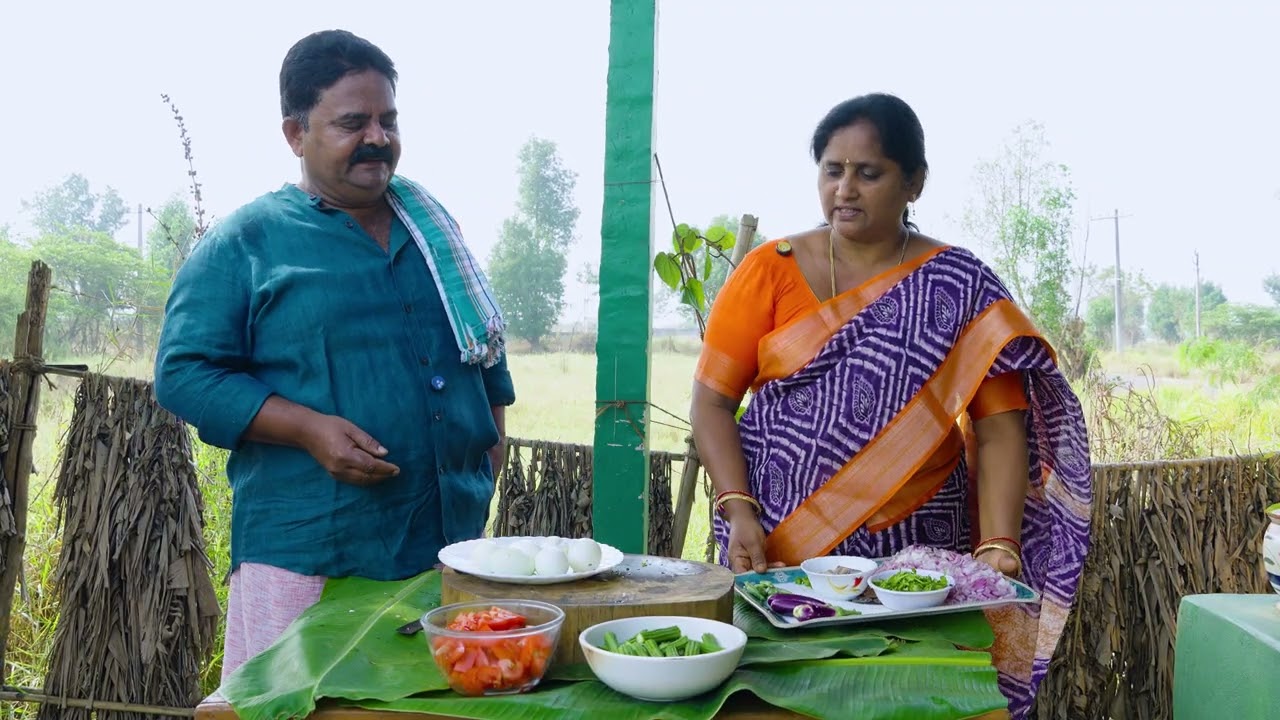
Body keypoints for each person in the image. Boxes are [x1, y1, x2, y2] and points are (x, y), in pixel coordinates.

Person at [690, 93, 1091, 717]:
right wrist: (737, 508)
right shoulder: (769, 270)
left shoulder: (959, 286)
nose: (845, 189)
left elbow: (1000, 427)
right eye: (832, 169)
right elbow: (712, 404)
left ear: (914, 182)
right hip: (777, 551)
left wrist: (998, 544)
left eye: (868, 173)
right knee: (769, 702)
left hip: (917, 562)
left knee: (918, 702)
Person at [153, 29, 515, 679]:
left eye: (388, 120)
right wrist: (307, 428)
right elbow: (182, 373)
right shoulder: (250, 241)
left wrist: (486, 460)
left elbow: (485, 360)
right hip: (308, 552)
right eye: (353, 122)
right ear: (295, 134)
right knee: (297, 702)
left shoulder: (435, 234)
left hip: (445, 548)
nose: (378, 138)